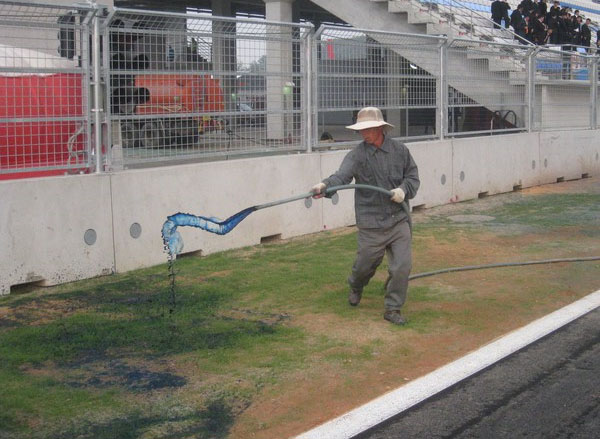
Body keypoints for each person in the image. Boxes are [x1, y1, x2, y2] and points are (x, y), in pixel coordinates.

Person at [311, 107, 420, 325]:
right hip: (371, 223)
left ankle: (393, 308)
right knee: (364, 266)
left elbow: (413, 178)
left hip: (398, 220)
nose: (365, 134)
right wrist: (324, 186)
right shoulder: (357, 155)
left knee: (402, 266)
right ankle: (356, 285)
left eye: (369, 129)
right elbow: (341, 176)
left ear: (380, 128)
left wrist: (403, 190)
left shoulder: (400, 151)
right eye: (361, 130)